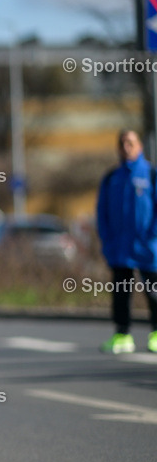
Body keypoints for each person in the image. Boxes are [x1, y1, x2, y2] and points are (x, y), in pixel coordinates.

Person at [96, 129, 157, 353]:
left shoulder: (151, 174)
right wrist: (107, 240)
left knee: (154, 290)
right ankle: (122, 335)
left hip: (147, 247)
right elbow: (101, 212)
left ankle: (156, 334)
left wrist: (152, 235)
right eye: (122, 143)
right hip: (119, 248)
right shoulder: (111, 177)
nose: (126, 147)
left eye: (130, 143)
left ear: (140, 146)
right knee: (121, 292)